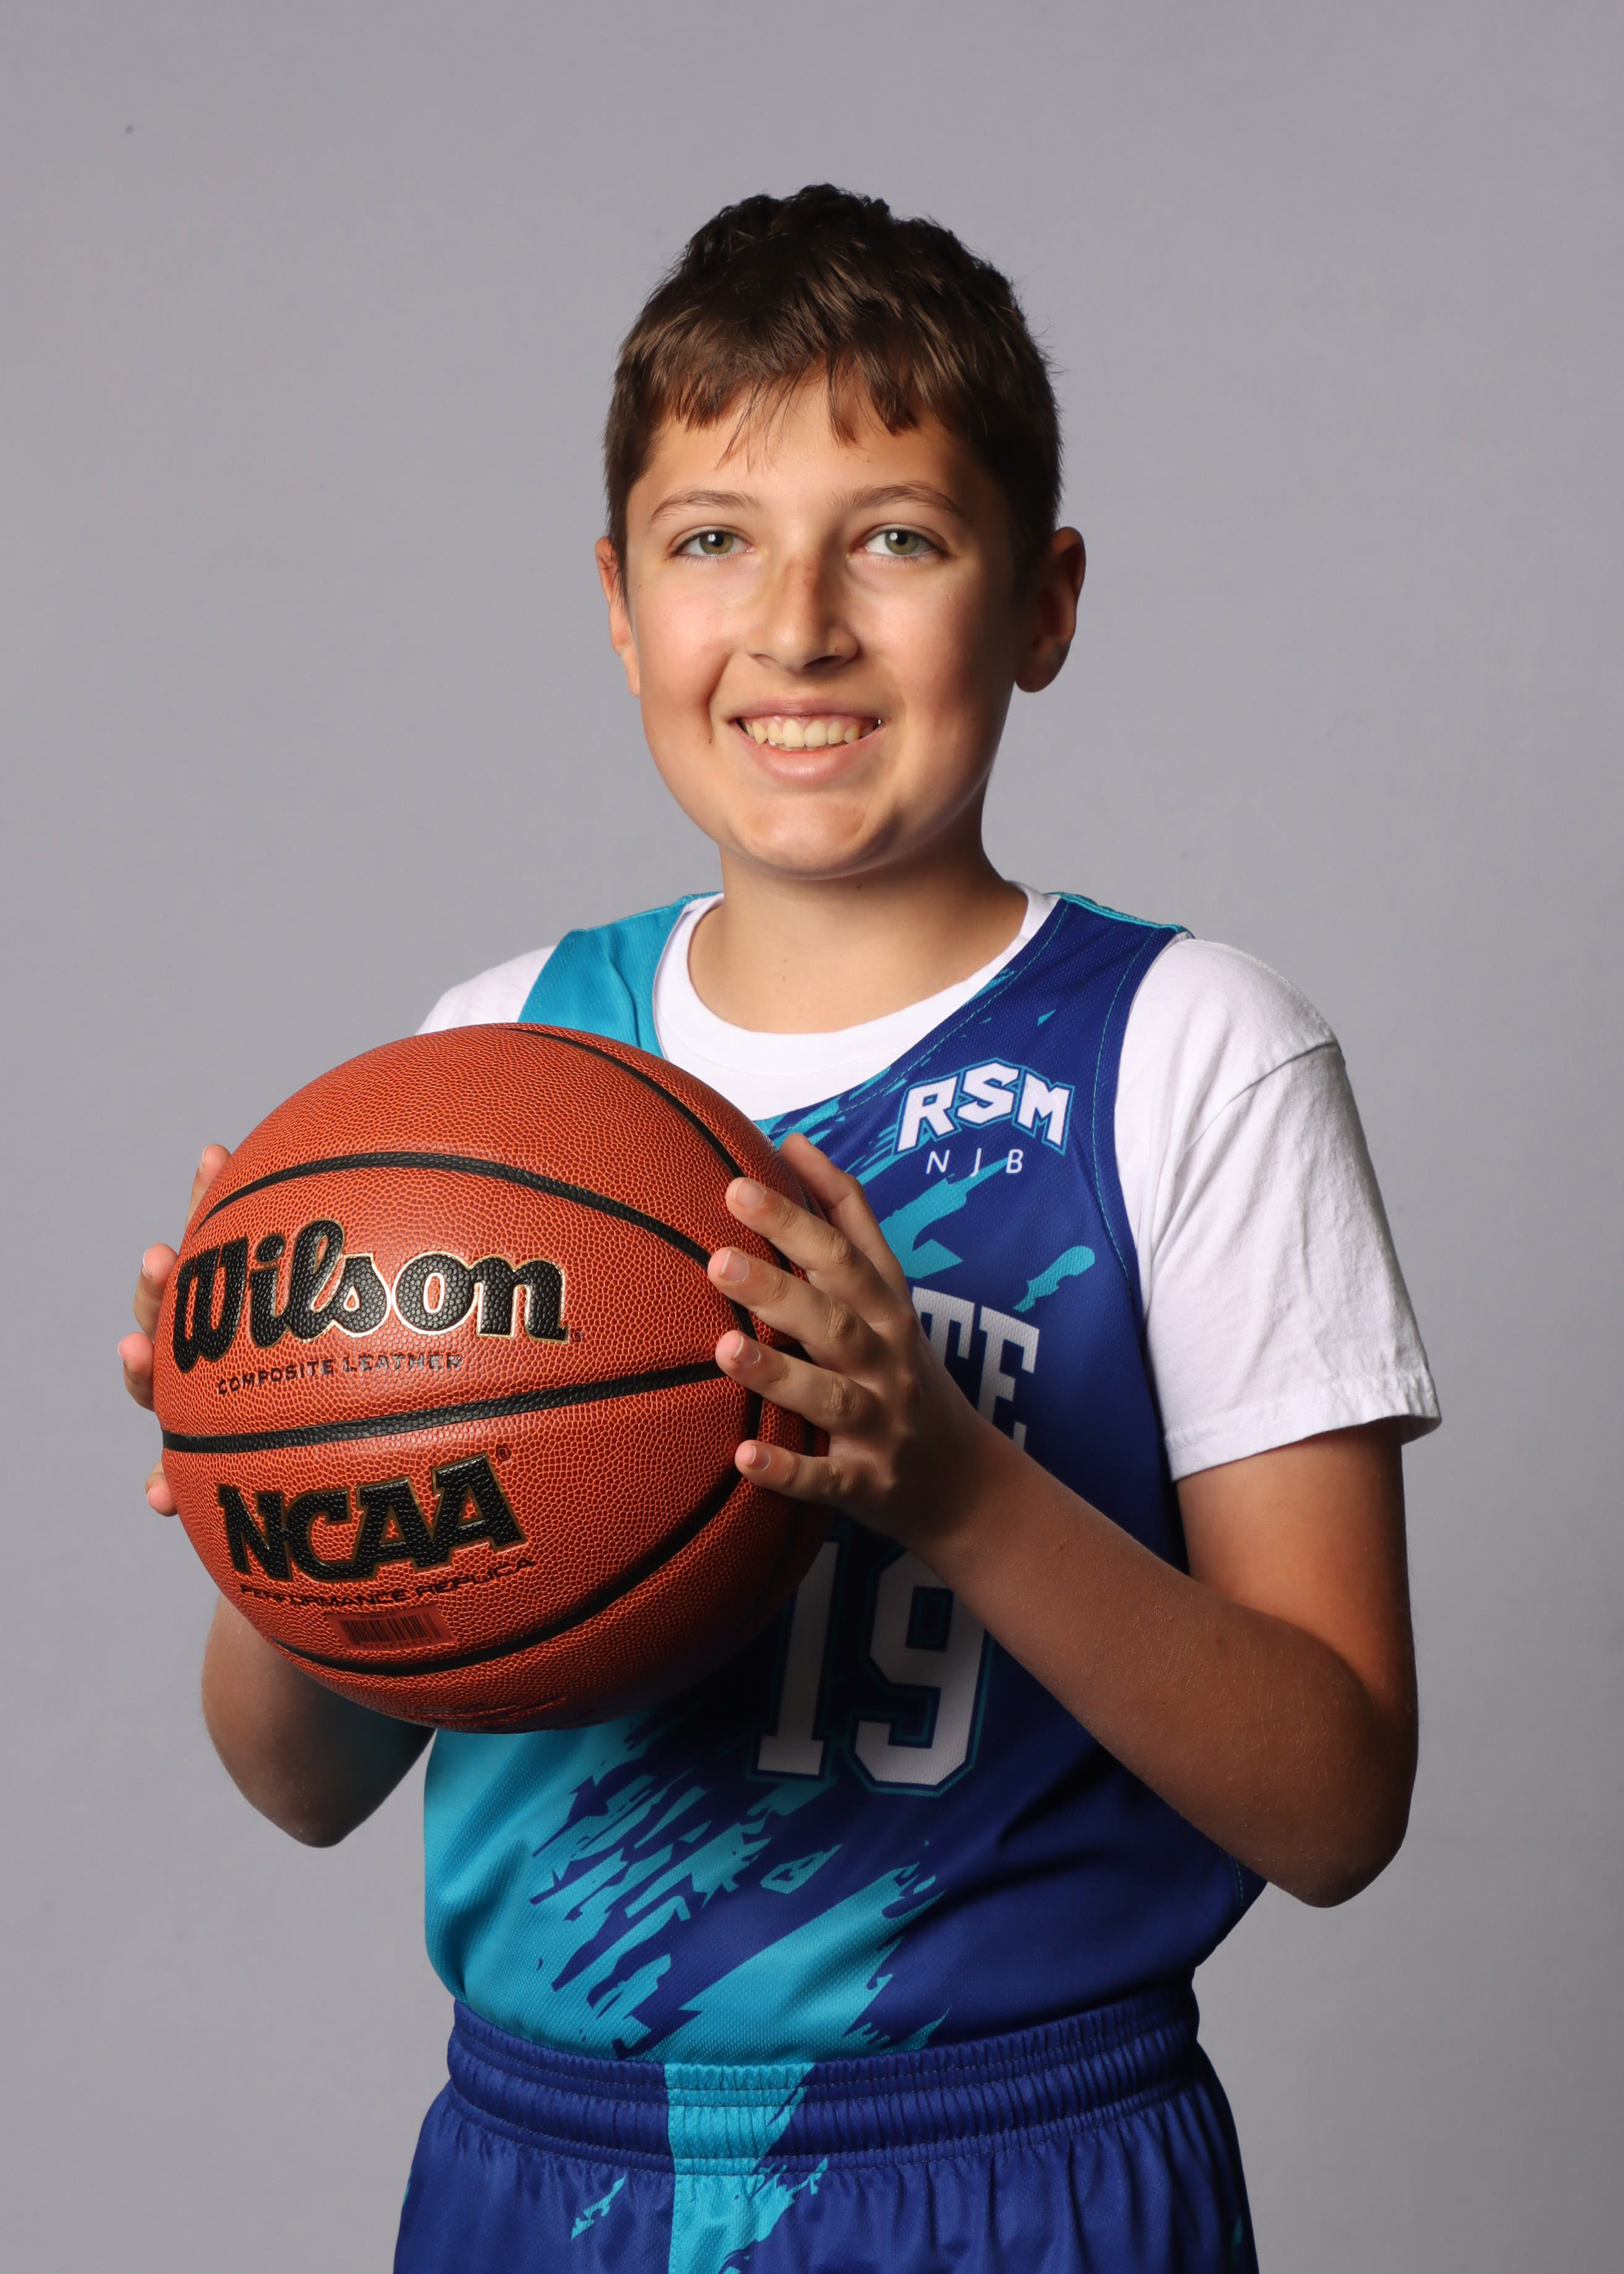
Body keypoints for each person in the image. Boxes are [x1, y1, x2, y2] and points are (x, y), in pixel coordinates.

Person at [119, 185, 1439, 2272]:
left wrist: (950, 1481)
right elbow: (304, 1780)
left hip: (1012, 2164)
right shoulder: (488, 1066)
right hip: (540, 2169)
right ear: (618, 599)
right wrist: (273, 1468)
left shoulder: (1190, 1055)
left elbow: (1336, 1799)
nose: (798, 622)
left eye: (894, 537)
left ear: (1042, 601)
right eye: (712, 538)